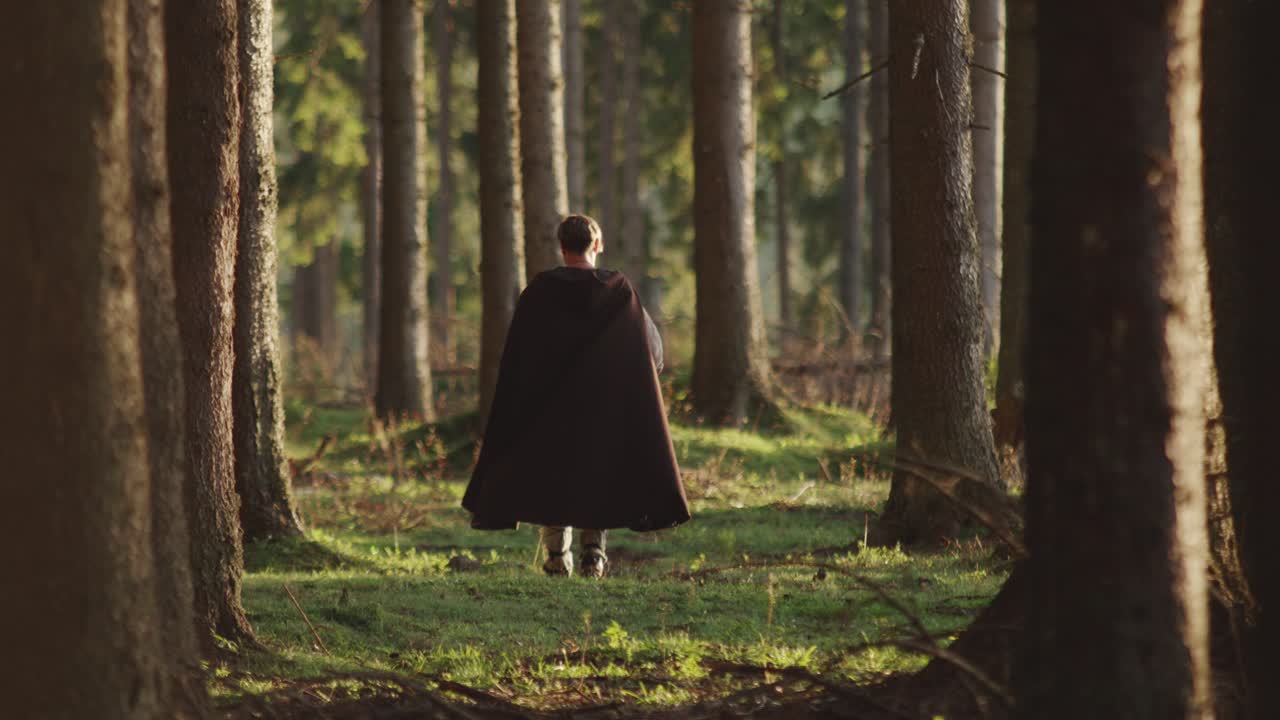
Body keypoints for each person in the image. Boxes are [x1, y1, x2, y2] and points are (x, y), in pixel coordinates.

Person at [462, 214, 690, 578]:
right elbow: (653, 352)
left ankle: (556, 555)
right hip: (602, 413)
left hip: (549, 412)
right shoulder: (618, 291)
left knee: (553, 473)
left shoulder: (539, 291)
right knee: (598, 475)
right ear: (596, 245)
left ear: (561, 247)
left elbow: (518, 354)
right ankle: (594, 556)